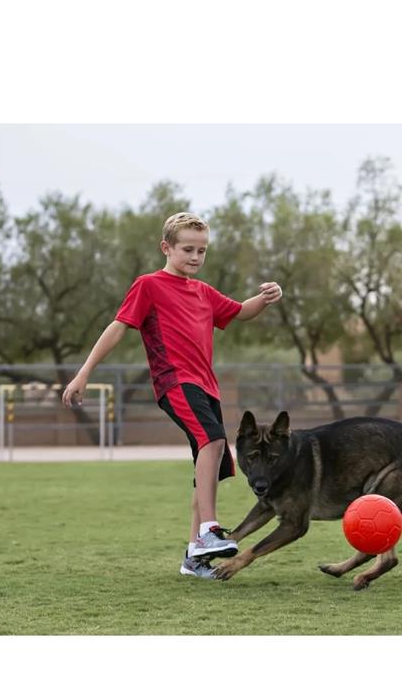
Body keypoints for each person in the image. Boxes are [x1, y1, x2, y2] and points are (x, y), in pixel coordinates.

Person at [62, 212, 281, 579]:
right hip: (176, 383)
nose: (196, 257)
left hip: (207, 386)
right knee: (212, 442)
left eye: (202, 251)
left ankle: (193, 558)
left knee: (208, 464)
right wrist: (84, 372)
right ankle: (210, 531)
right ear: (167, 247)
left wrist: (266, 297)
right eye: (188, 249)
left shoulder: (203, 292)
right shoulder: (149, 285)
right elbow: (118, 328)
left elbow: (241, 312)